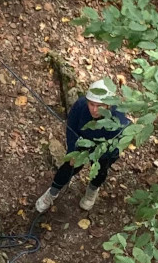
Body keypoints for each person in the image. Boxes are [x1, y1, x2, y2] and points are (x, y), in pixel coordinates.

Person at [36, 76, 130, 214]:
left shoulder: (118, 119)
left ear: (108, 105)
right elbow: (71, 129)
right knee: (68, 168)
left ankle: (92, 189)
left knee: (100, 171)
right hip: (82, 142)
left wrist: (95, 155)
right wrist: (73, 150)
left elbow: (116, 145)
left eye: (99, 106)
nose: (94, 110)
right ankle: (53, 192)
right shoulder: (80, 106)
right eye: (91, 104)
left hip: (104, 150)